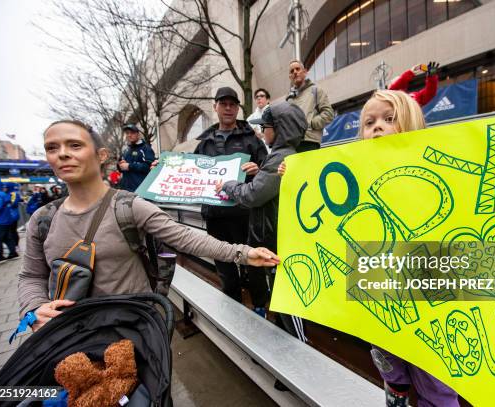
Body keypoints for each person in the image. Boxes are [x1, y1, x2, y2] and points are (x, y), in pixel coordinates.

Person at [280, 89, 495, 406]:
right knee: (390, 366)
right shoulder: (356, 175)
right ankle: (396, 395)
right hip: (379, 293)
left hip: (432, 297)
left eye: (389, 118)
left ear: (412, 124)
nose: (377, 127)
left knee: (435, 382)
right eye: (369, 122)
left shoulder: (439, 164)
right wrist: (295, 177)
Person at [17, 119, 279, 331]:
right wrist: (33, 308)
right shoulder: (42, 220)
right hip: (72, 337)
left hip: (135, 334)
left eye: (74, 145)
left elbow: (184, 237)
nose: (62, 154)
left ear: (101, 155)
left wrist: (245, 254)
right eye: (52, 148)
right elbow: (32, 275)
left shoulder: (129, 206)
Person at [215, 101, 306, 321]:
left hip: (273, 238)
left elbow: (253, 195)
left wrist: (227, 185)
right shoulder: (290, 153)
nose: (262, 131)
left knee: (284, 304)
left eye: (265, 127)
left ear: (278, 128)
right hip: (280, 236)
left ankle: (289, 344)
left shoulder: (279, 156)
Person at [193, 87, 269, 306]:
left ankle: (260, 308)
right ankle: (233, 309)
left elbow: (268, 167)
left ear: (238, 108)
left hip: (244, 214)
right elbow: (190, 170)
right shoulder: (205, 142)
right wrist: (163, 167)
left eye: (232, 104)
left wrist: (259, 169)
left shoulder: (251, 138)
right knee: (225, 269)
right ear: (215, 107)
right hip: (215, 215)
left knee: (252, 265)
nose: (228, 108)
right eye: (223, 103)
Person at [286, 60, 334, 152]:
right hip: (292, 144)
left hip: (310, 142)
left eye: (297, 69)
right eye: (292, 71)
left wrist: (311, 123)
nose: (295, 72)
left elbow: (329, 114)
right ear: (290, 77)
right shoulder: (288, 99)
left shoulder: (316, 91)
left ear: (305, 72)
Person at [118, 123, 155, 192]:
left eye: (132, 133)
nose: (129, 135)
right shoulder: (126, 150)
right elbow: (122, 168)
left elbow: (149, 167)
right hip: (126, 190)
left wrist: (129, 166)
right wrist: (120, 165)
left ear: (138, 134)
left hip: (140, 190)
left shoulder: (145, 148)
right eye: (127, 133)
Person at [5, 183, 21, 248]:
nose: (4, 189)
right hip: (9, 215)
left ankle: (16, 244)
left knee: (13, 231)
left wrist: (6, 203)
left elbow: (14, 203)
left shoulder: (13, 194)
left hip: (13, 215)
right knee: (10, 231)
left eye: (5, 187)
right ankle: (13, 244)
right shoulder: (7, 194)